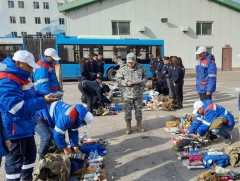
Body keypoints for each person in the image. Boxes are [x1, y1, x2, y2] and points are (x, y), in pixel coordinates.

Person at [0, 50, 58, 181]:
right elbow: (16, 107)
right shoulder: (7, 79)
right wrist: (43, 101)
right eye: (29, 66)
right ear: (19, 63)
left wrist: (42, 95)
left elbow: (31, 93)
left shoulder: (22, 76)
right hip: (15, 130)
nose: (31, 69)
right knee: (15, 166)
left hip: (25, 127)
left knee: (30, 159)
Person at [117, 53, 148, 134]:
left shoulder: (140, 68)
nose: (130, 64)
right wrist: (126, 82)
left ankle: (139, 126)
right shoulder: (122, 69)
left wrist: (142, 82)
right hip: (127, 94)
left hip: (138, 94)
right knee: (127, 112)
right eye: (129, 62)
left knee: (138, 111)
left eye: (132, 62)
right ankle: (128, 127)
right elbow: (118, 79)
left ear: (135, 61)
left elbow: (146, 77)